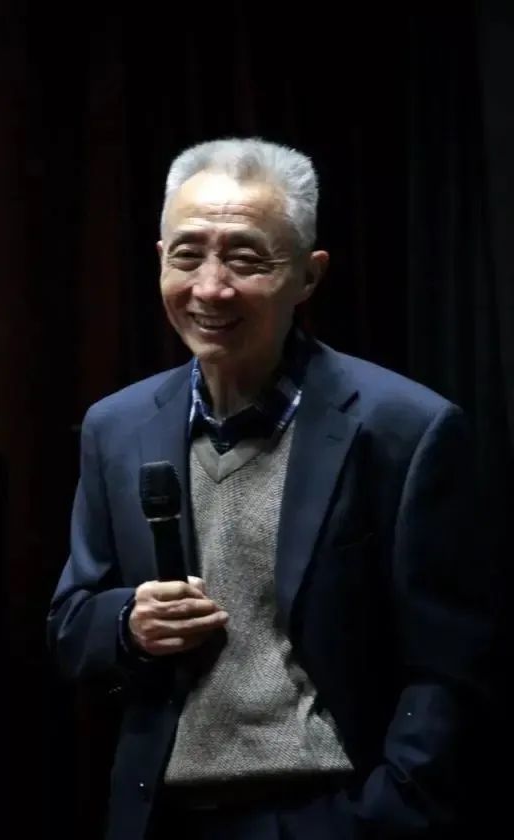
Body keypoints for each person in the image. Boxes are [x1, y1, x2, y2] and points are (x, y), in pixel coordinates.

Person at [47, 138, 493, 840]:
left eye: (247, 260)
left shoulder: (404, 430)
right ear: (160, 258)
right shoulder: (117, 426)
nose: (210, 288)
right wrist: (129, 624)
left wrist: (387, 813)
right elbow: (72, 623)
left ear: (309, 276)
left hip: (326, 812)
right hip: (159, 817)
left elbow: (452, 666)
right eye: (187, 255)